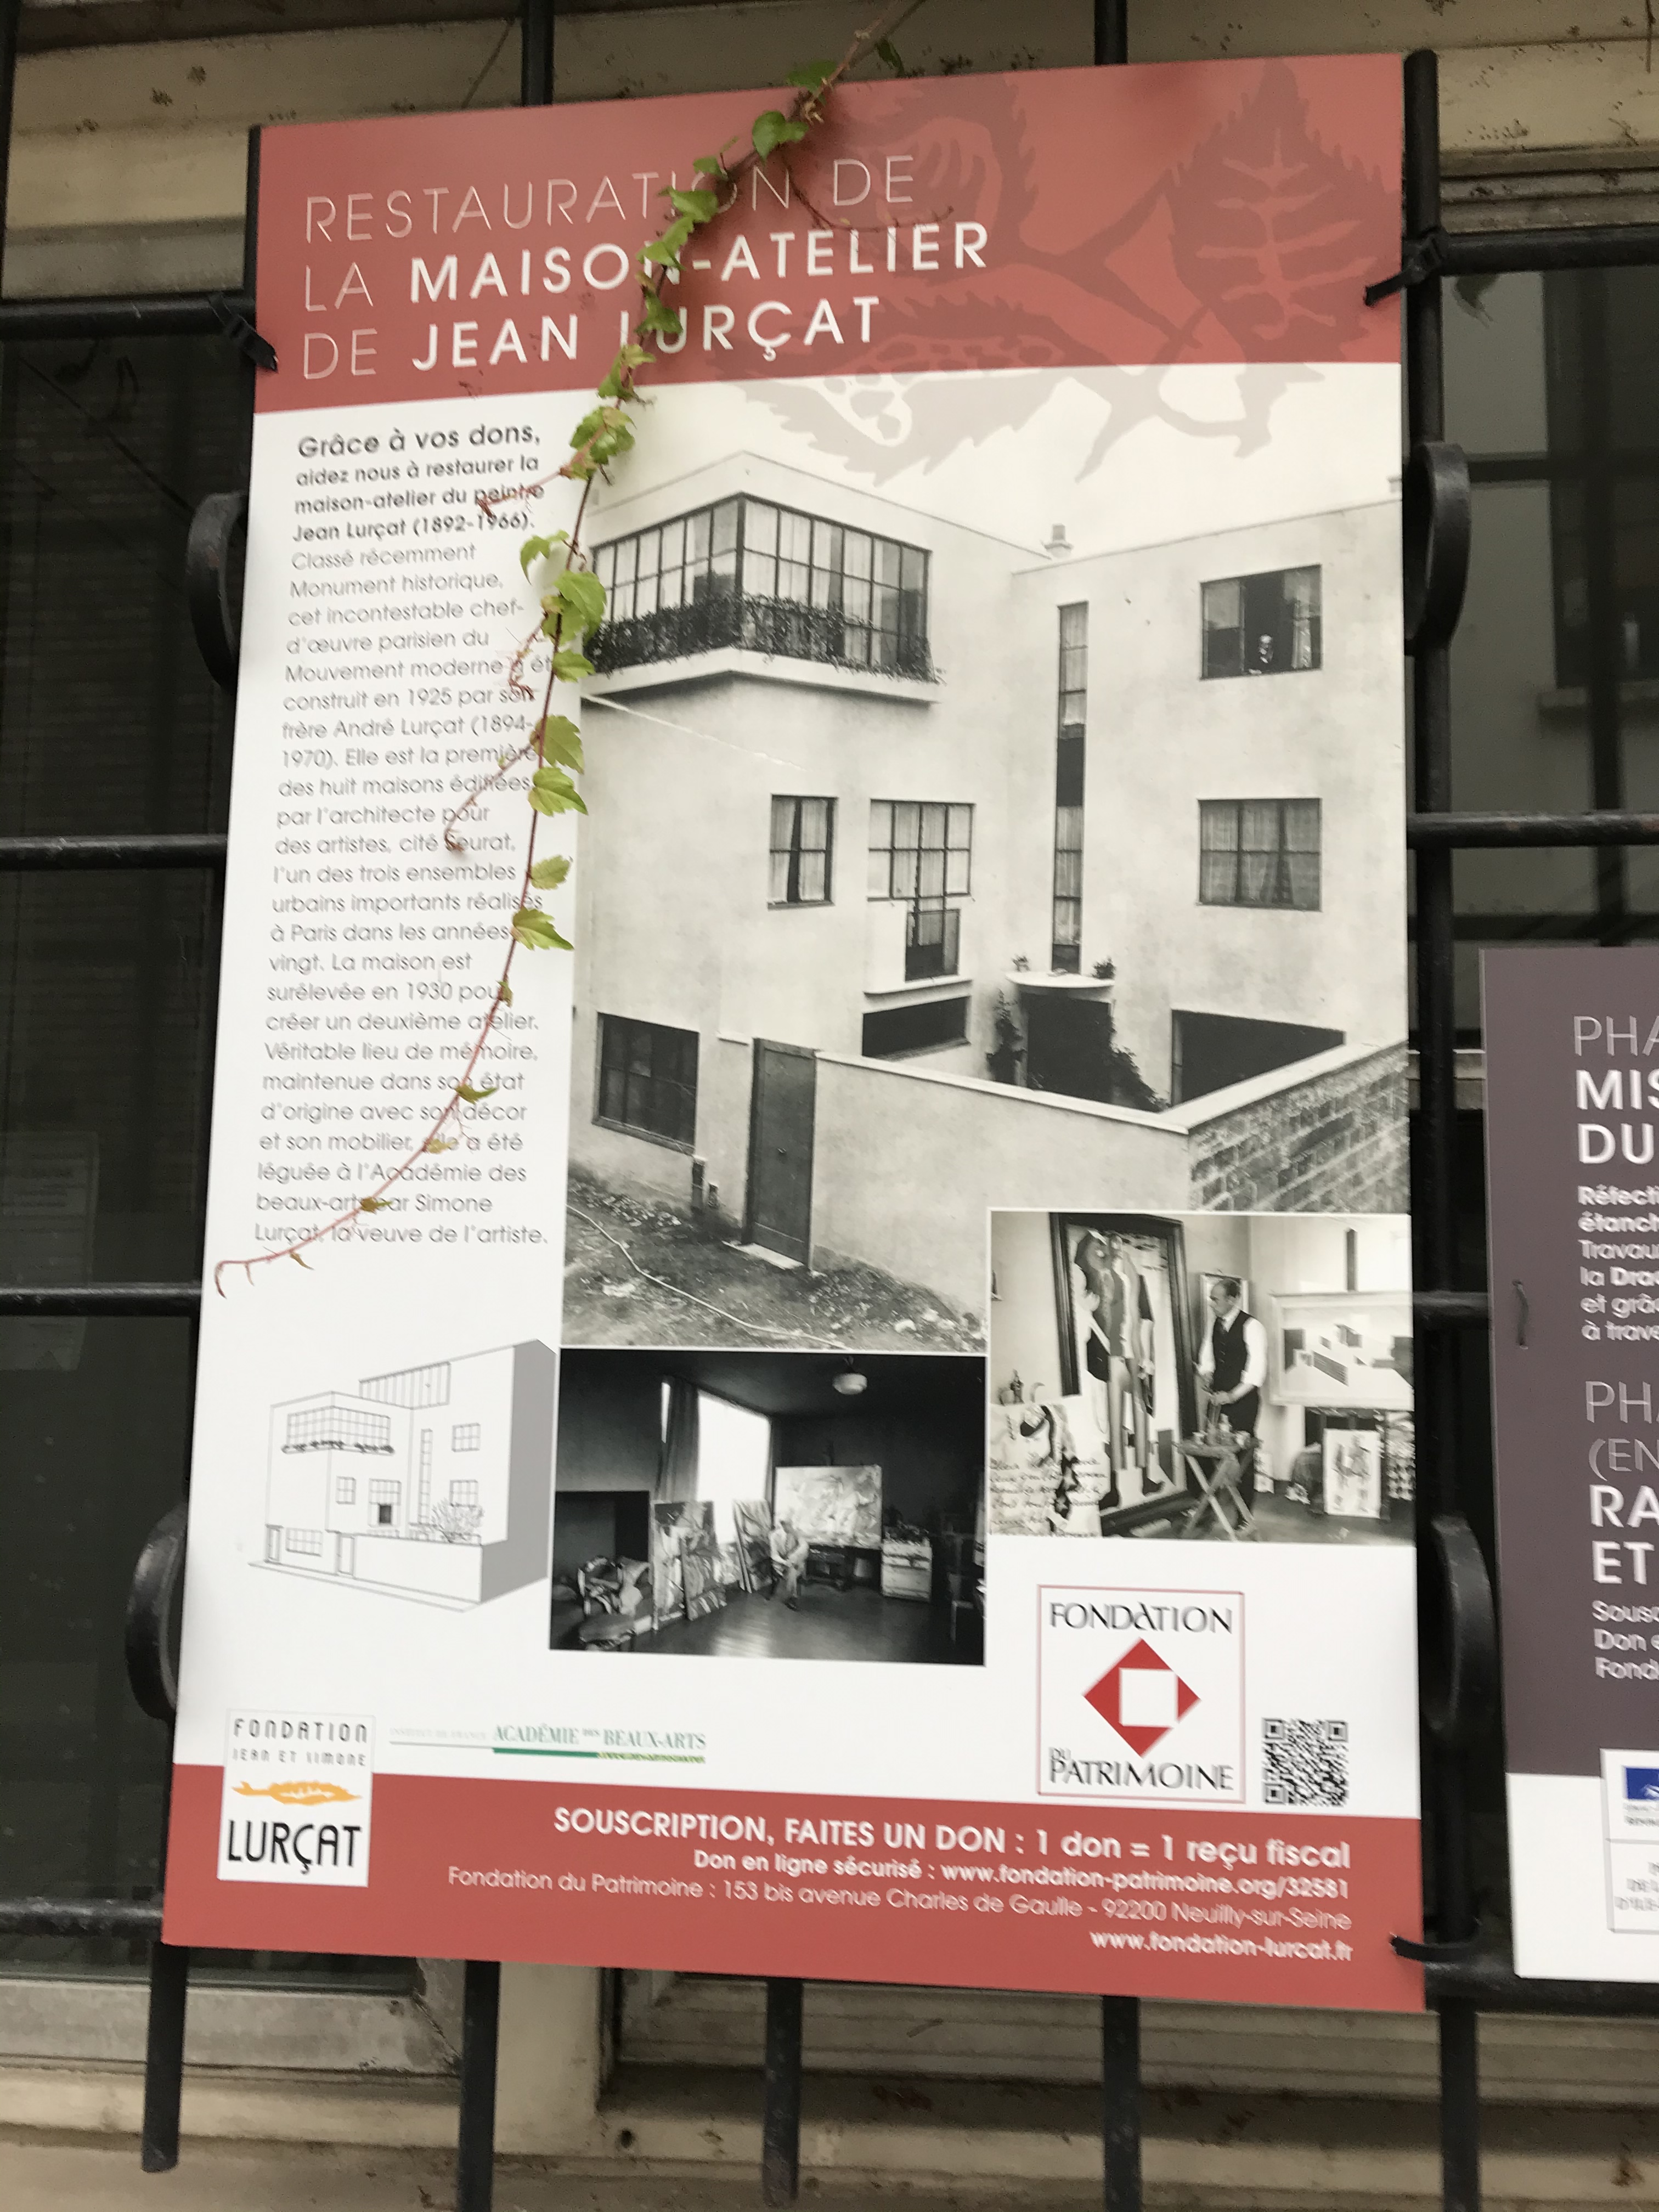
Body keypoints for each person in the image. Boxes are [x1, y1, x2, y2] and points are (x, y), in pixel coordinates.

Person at [1075, 1231, 1155, 1511]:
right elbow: (1087, 1315)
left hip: (1135, 1357)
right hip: (1110, 1358)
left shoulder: (1138, 1280)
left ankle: (1146, 1480)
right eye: (1108, 1248)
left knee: (1141, 1419)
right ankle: (1113, 1490)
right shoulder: (1096, 1281)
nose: (1114, 1253)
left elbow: (1147, 1319)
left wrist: (1148, 1358)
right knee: (1113, 1423)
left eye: (1119, 1248)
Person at [1195, 1277, 1268, 1506]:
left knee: (1242, 1456)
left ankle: (1243, 1515)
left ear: (1233, 1299)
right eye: (1211, 1299)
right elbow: (1207, 1356)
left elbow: (1257, 1372)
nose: (1211, 1304)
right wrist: (1207, 1373)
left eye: (1215, 1300)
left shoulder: (1252, 1327)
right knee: (1211, 1449)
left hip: (1243, 1403)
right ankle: (1211, 1508)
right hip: (1217, 1402)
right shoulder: (1215, 1325)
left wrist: (1233, 1396)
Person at [767, 1518, 810, 1609]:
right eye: (787, 1525)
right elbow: (774, 1555)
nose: (790, 1528)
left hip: (794, 1562)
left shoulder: (796, 1533)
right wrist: (785, 1562)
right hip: (780, 1563)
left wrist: (794, 1556)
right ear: (782, 1525)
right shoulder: (774, 1536)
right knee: (792, 1570)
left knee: (799, 1558)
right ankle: (793, 1597)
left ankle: (792, 1596)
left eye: (790, 1525)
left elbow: (805, 1545)